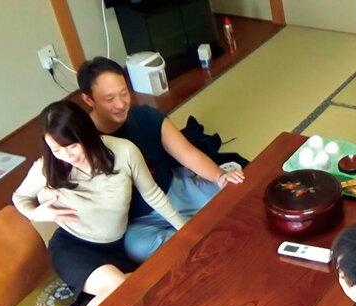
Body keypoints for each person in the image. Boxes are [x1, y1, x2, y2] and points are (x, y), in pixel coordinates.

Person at [12, 101, 184, 306]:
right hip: (73, 246)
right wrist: (36, 213)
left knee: (141, 295)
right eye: (56, 149)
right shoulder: (46, 167)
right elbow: (19, 197)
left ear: (86, 134)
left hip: (115, 248)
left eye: (71, 146)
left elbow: (152, 194)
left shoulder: (123, 152)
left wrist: (185, 231)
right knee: (119, 289)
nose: (66, 156)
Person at [76, 57, 245, 263]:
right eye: (109, 99)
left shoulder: (146, 117)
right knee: (138, 248)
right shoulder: (81, 144)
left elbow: (187, 153)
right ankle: (197, 237)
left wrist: (219, 176)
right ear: (88, 100)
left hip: (174, 190)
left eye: (124, 93)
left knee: (237, 195)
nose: (120, 104)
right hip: (139, 220)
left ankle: (194, 230)